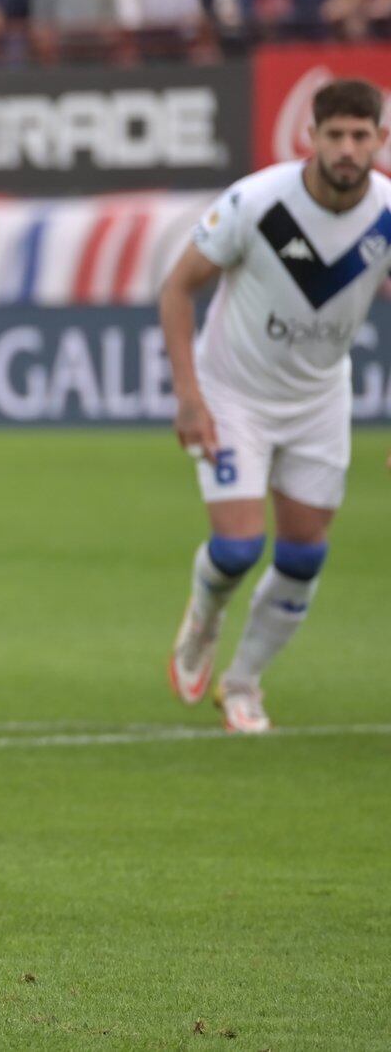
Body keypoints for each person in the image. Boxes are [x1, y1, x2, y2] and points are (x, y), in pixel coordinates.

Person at [160, 78, 391, 734]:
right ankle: (205, 614)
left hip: (319, 397)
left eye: (360, 135)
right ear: (311, 137)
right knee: (237, 547)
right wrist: (188, 396)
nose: (348, 149)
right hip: (235, 393)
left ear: (379, 138)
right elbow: (177, 288)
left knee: (303, 555)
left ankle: (244, 685)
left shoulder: (387, 212)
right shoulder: (257, 201)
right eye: (335, 135)